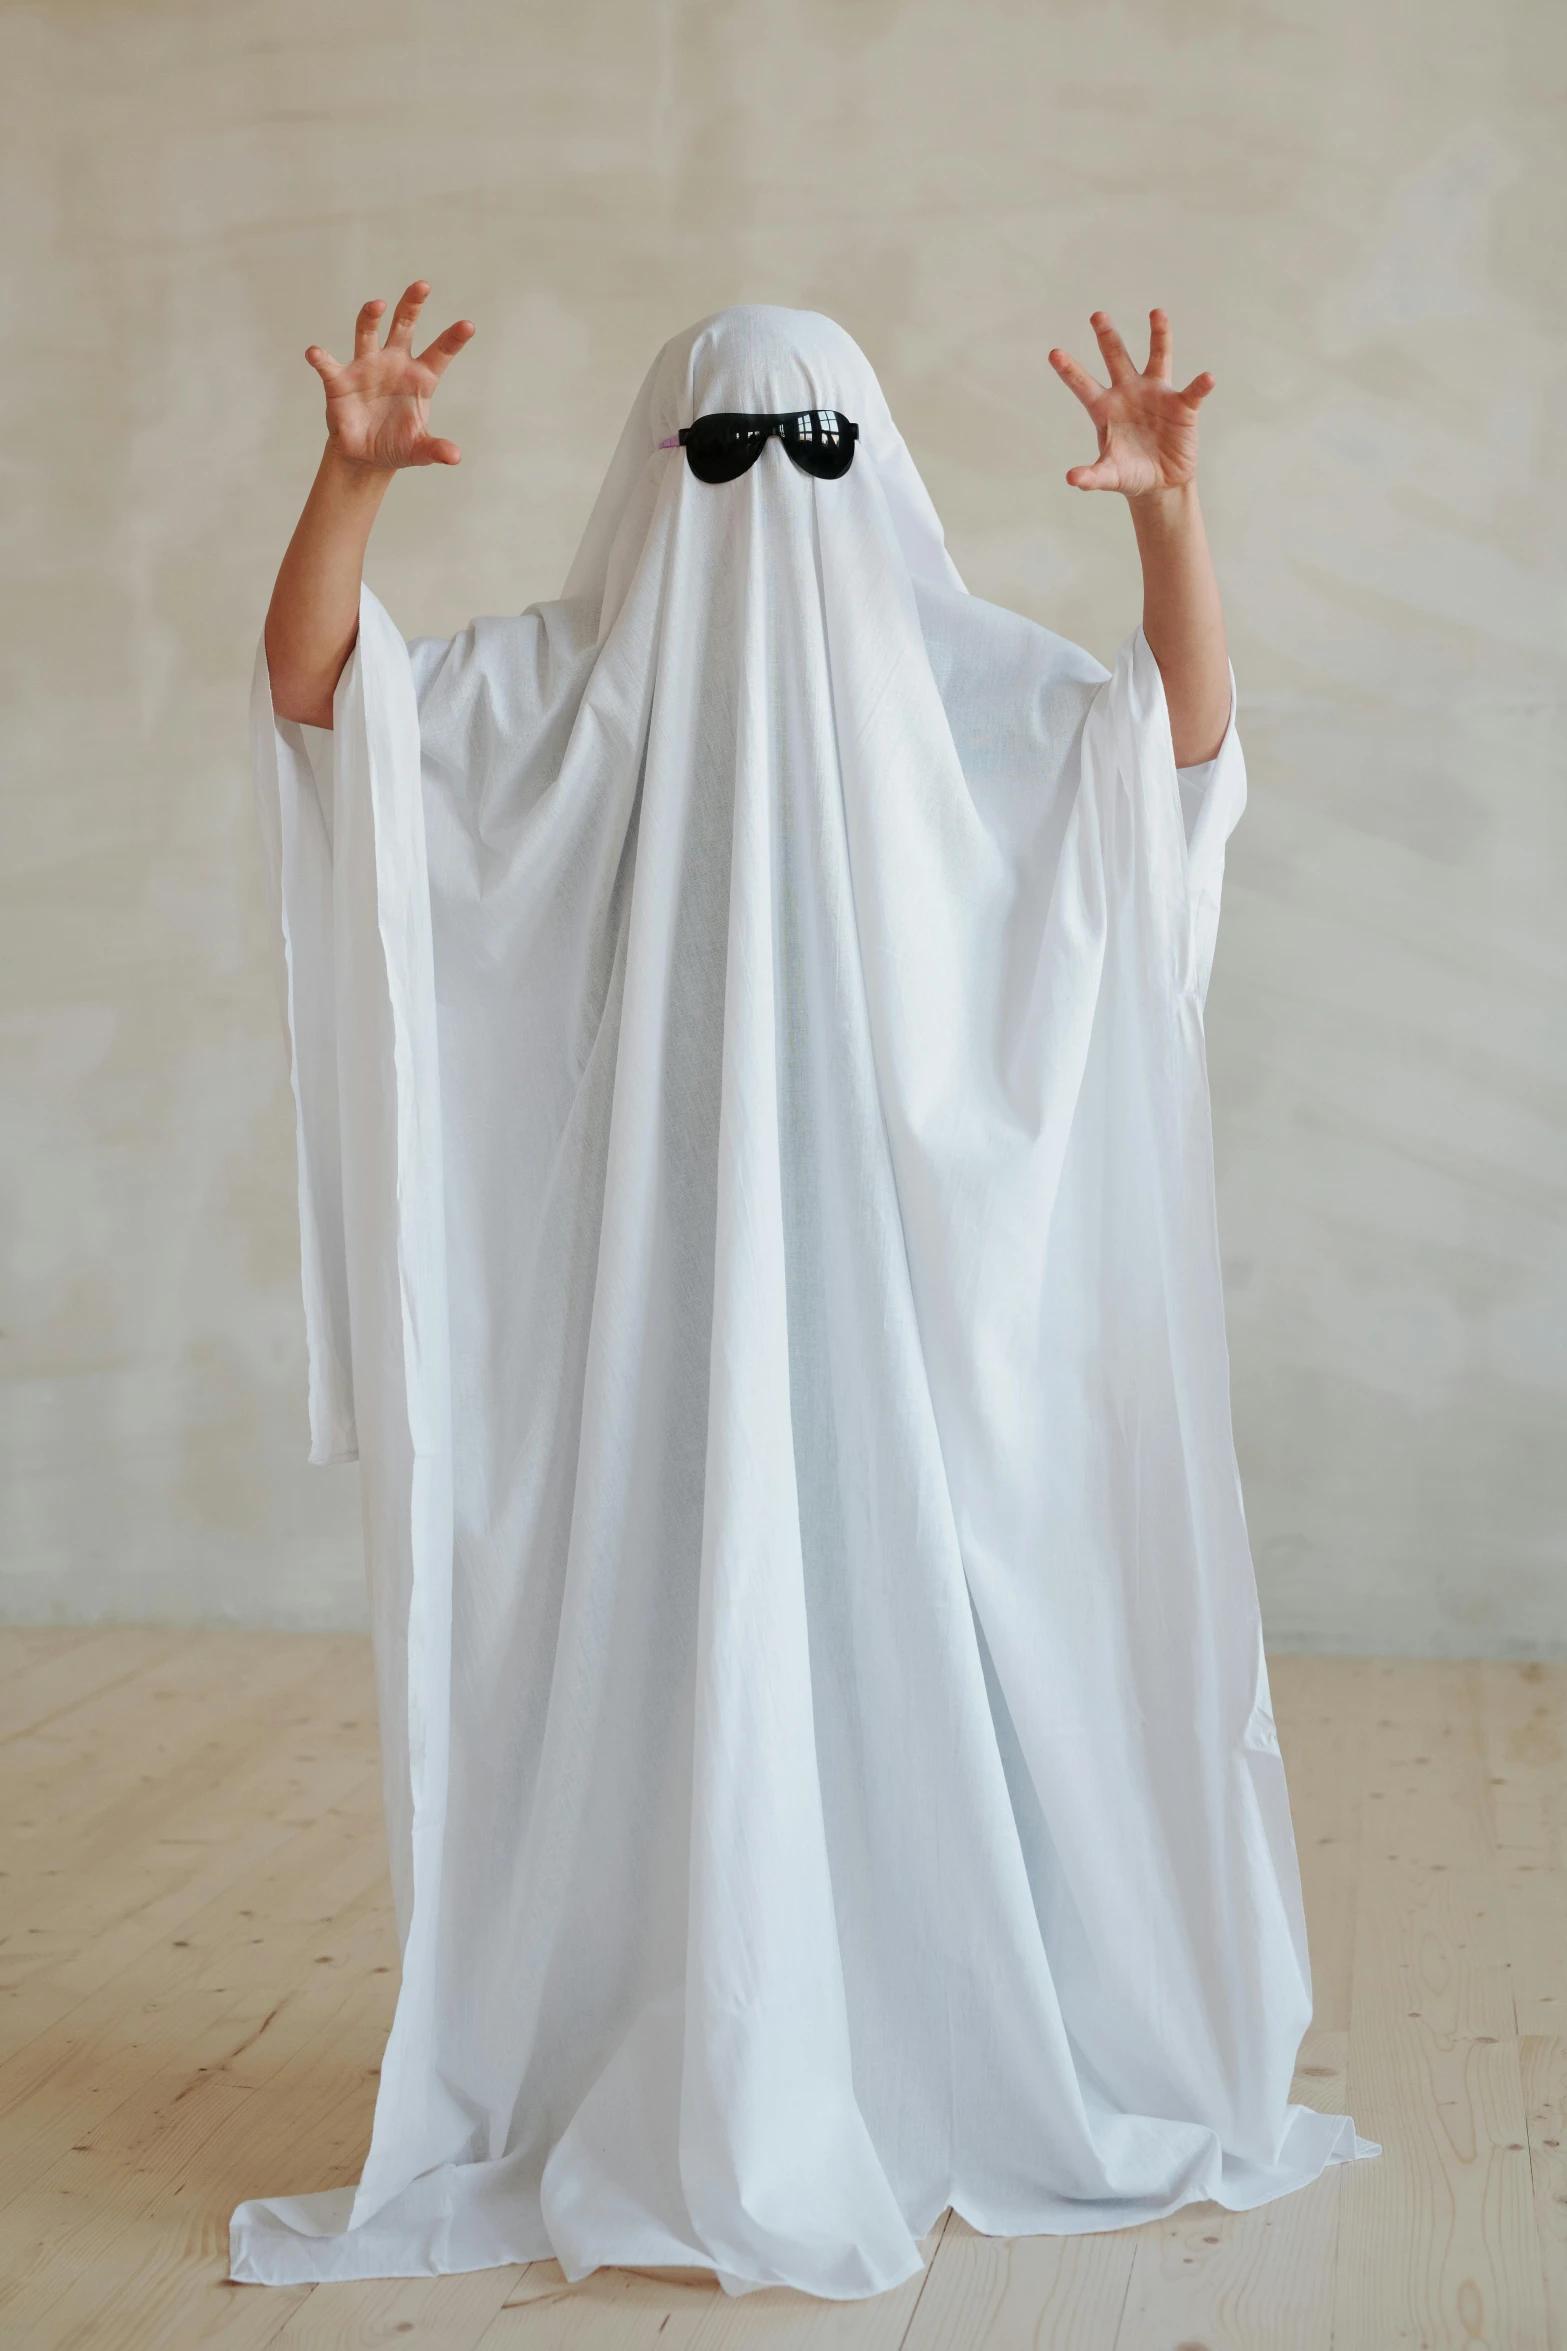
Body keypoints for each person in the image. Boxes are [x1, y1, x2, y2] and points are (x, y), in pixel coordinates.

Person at [230, 292, 1378, 2297]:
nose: (775, 504)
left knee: (898, 1650)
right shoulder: (569, 702)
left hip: (909, 1353)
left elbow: (1164, 763)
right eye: (730, 455)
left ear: (886, 483)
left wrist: (1171, 522)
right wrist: (346, 480)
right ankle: (682, 2031)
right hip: (651, 1332)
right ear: (655, 480)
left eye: (819, 454)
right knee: (686, 1662)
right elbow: (331, 696)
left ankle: (916, 2021)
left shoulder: (962, 704)